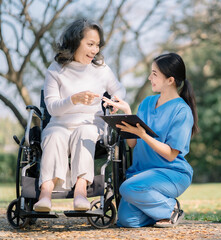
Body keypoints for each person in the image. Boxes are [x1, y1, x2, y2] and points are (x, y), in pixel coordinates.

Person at [33, 18, 126, 212]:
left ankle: (81, 191)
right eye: (90, 44)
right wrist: (73, 99)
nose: (94, 51)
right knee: (54, 136)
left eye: (97, 45)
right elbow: (52, 108)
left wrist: (115, 101)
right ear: (75, 42)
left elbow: (119, 89)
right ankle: (45, 193)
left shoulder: (101, 69)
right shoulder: (56, 70)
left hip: (90, 124)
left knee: (84, 133)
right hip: (59, 123)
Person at [102, 52, 199, 228]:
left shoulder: (182, 111)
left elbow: (170, 155)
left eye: (154, 74)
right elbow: (132, 144)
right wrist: (127, 114)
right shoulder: (146, 103)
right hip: (141, 176)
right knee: (127, 221)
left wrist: (143, 135)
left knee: (127, 188)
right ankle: (160, 208)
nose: (149, 78)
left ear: (170, 80)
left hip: (171, 174)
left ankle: (170, 210)